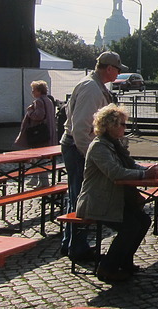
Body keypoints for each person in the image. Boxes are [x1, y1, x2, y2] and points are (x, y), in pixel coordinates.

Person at [76, 104, 158, 283]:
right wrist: (144, 174)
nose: (125, 127)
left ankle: (123, 261)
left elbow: (129, 165)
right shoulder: (99, 147)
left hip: (114, 199)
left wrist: (147, 169)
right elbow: (115, 172)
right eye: (122, 124)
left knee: (143, 220)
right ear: (110, 125)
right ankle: (107, 267)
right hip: (98, 201)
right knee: (130, 226)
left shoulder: (114, 145)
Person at [60, 51, 126, 261]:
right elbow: (80, 129)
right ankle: (76, 246)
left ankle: (71, 243)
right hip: (79, 146)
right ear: (108, 68)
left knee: (78, 194)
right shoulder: (91, 89)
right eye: (117, 69)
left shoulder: (95, 86)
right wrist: (91, 156)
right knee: (82, 196)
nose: (118, 73)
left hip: (79, 145)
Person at [14, 80, 57, 187]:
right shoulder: (49, 100)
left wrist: (29, 111)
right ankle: (35, 179)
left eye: (33, 90)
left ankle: (44, 182)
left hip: (39, 134)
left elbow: (39, 116)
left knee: (39, 160)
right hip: (48, 133)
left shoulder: (39, 101)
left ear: (38, 91)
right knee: (38, 159)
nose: (32, 93)